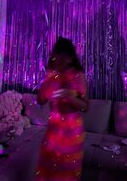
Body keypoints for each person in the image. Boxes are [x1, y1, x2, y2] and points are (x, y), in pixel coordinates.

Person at [35, 37, 89, 181]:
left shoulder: (77, 75)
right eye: (56, 58)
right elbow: (40, 101)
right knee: (47, 171)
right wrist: (47, 81)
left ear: (70, 58)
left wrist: (69, 97)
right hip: (53, 131)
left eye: (62, 59)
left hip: (71, 133)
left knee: (67, 174)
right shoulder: (52, 75)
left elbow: (85, 106)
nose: (59, 62)